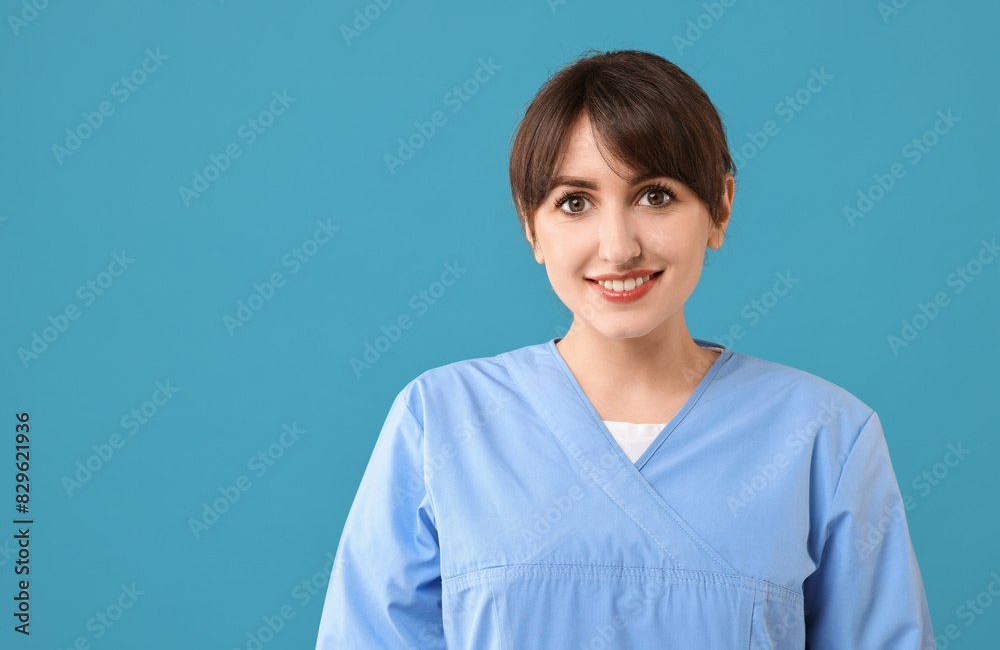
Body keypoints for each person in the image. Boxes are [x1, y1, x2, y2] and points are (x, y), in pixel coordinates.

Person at [315, 48, 934, 648]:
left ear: (720, 207)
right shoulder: (441, 421)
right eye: (574, 203)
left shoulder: (825, 437)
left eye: (656, 195)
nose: (617, 248)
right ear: (531, 226)